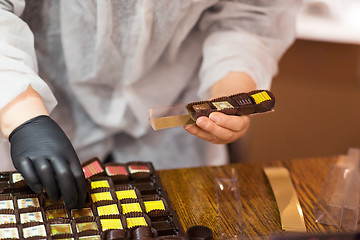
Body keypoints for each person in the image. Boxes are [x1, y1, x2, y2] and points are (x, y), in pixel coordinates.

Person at [0, 0, 302, 209]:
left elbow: (249, 17)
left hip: (172, 127)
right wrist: (23, 115)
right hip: (41, 101)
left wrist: (231, 94)